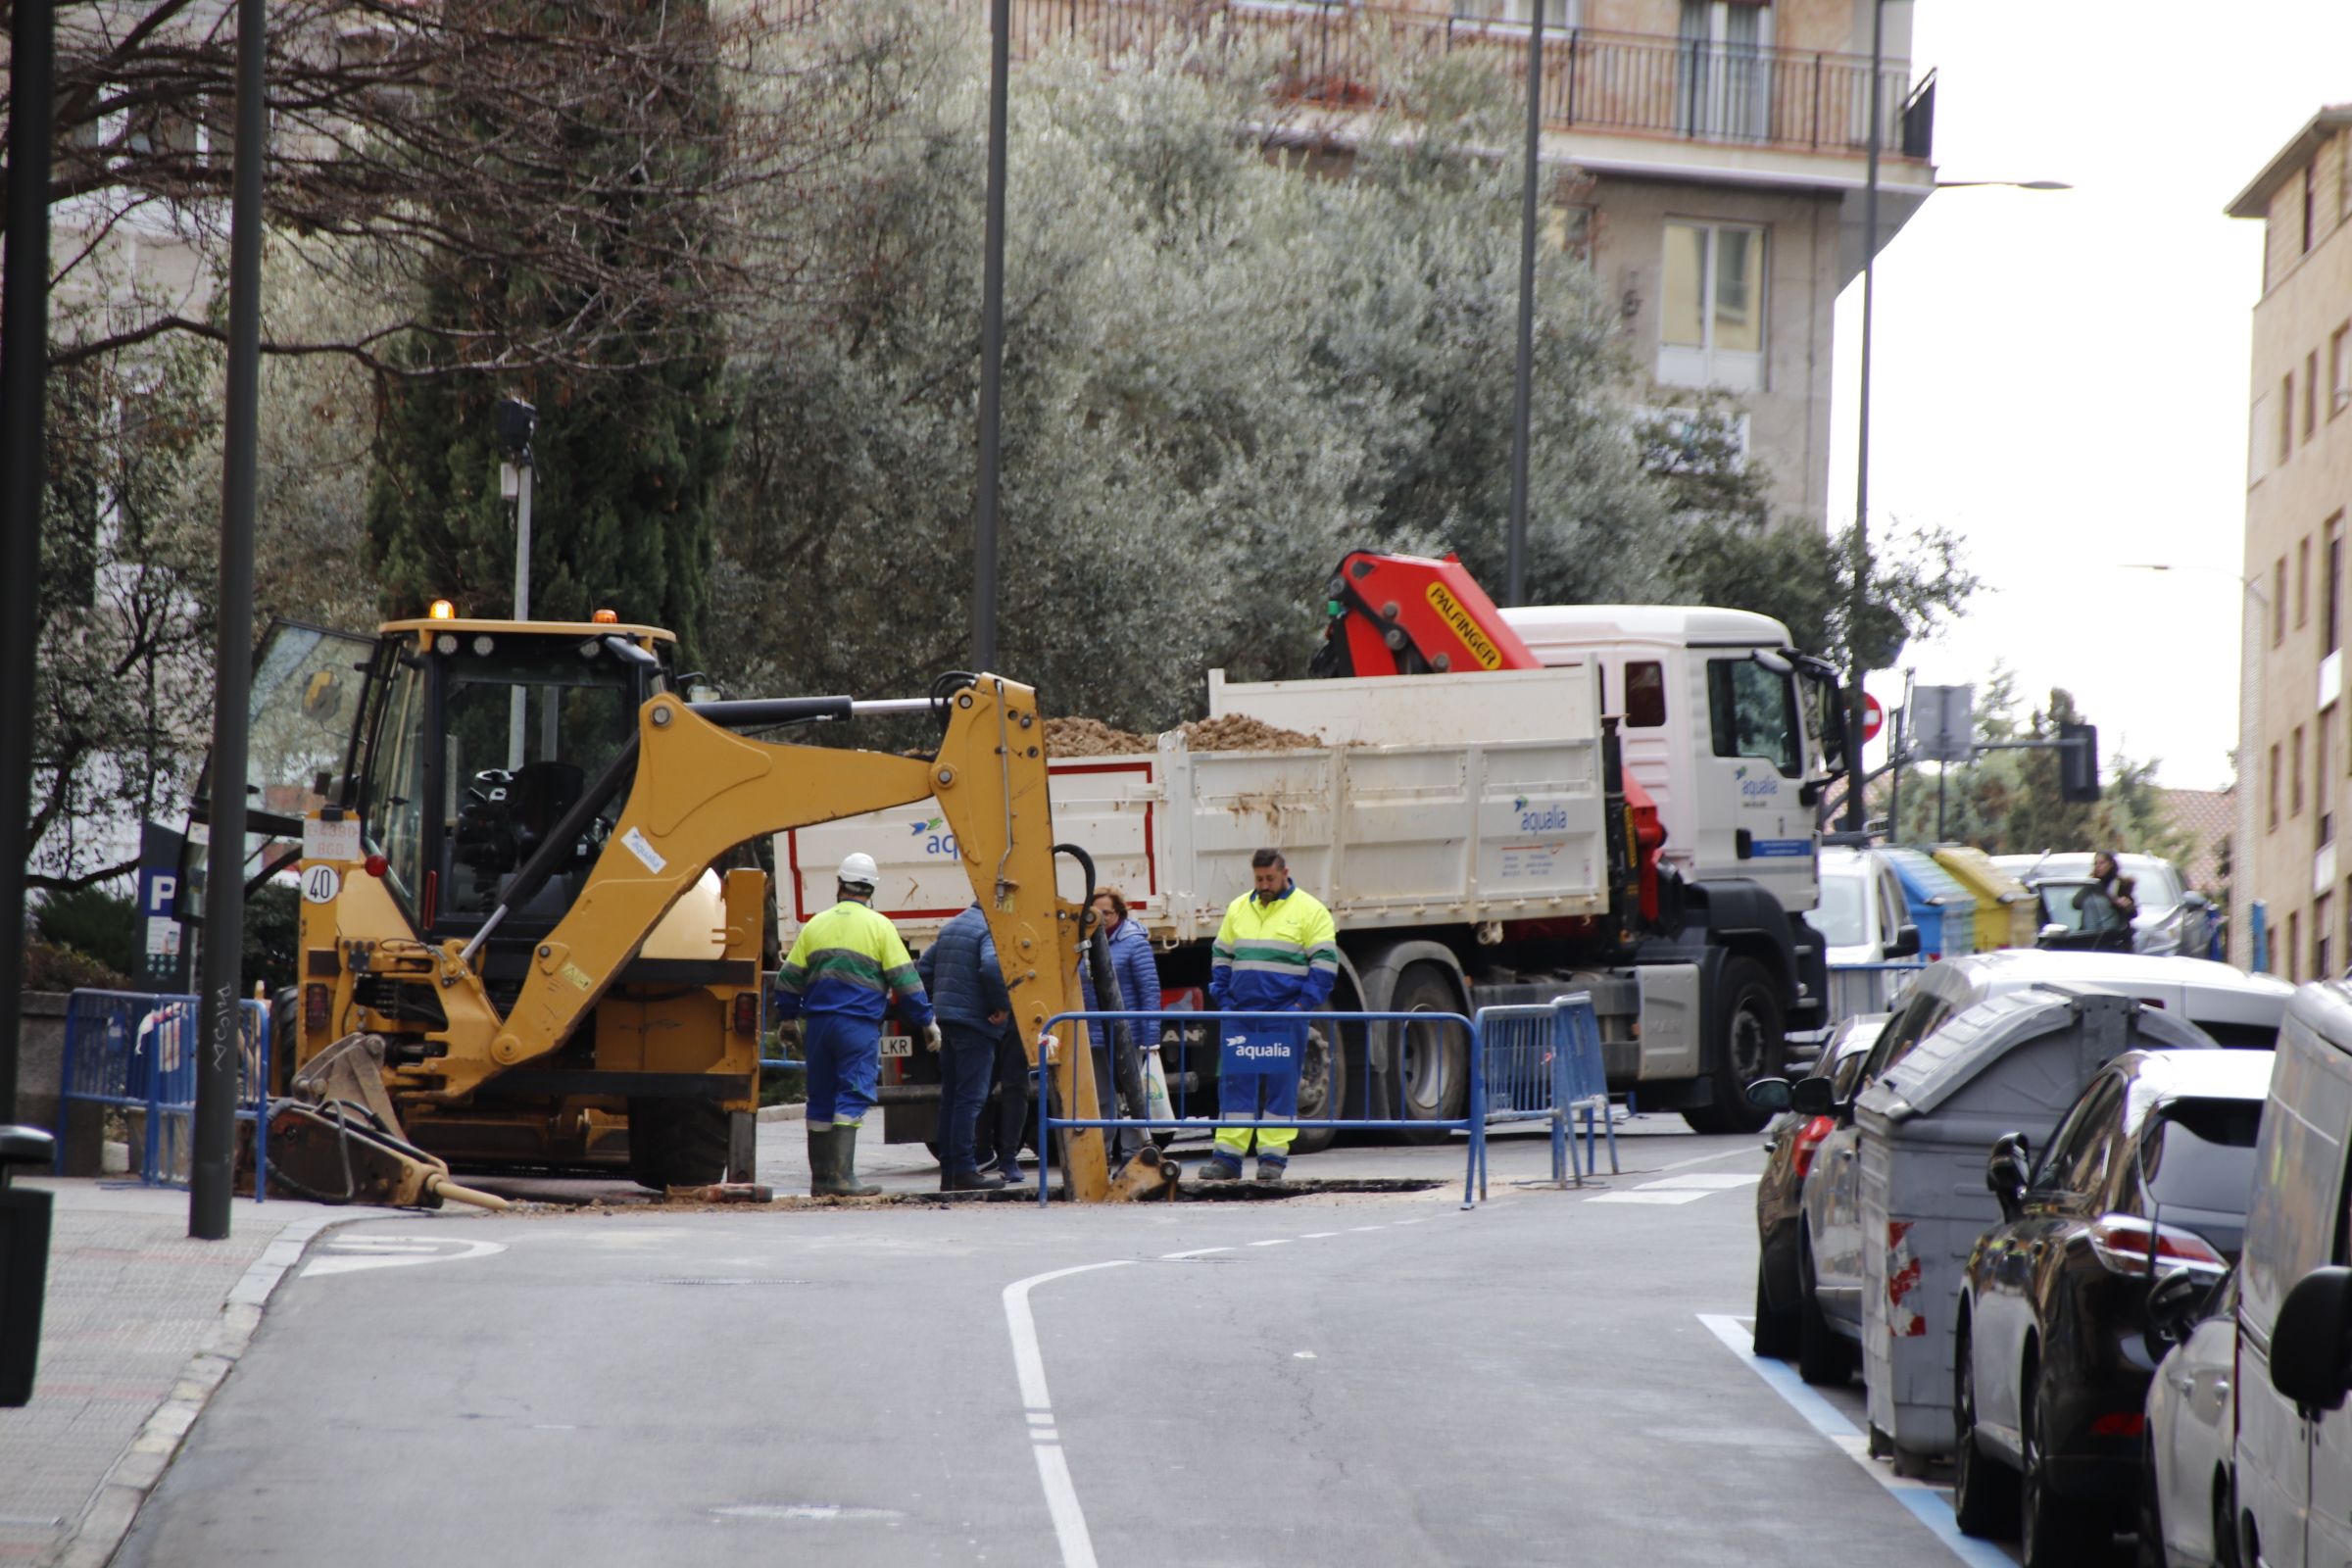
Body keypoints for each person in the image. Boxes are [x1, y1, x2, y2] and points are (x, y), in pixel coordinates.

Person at [773, 852, 939, 1197]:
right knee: (853, 1092)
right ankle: (843, 1178)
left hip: (819, 1026)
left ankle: (821, 1179)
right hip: (857, 1025)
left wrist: (788, 1017)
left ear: (840, 884)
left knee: (819, 1096)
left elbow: (787, 979)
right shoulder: (880, 926)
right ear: (871, 889)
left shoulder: (815, 924)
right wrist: (926, 1021)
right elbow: (905, 981)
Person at [1202, 849, 1338, 1183]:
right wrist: (1224, 998)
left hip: (1283, 1016)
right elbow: (1221, 954)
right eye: (1259, 879)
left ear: (1284, 873)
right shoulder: (1239, 907)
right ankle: (1228, 1159)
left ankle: (1272, 1161)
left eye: (1270, 879)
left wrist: (1301, 1007)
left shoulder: (1310, 910)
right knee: (1235, 1087)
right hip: (1241, 1015)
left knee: (1280, 1088)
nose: (1264, 885)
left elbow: (1324, 965)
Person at [917, 903, 1012, 1193]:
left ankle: (950, 1171)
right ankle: (964, 1170)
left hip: (948, 1020)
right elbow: (993, 967)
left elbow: (924, 968)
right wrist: (1001, 1005)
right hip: (975, 1024)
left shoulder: (952, 926)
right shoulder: (990, 928)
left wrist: (944, 998)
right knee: (970, 1099)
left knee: (952, 1098)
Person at [1078, 888, 1159, 1162]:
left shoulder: (1135, 943)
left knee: (1132, 1098)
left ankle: (1133, 1156)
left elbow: (1149, 990)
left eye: (1108, 913)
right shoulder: (1084, 945)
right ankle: (1100, 1158)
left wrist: (1150, 1034)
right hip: (1096, 1034)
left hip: (1129, 1035)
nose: (1102, 920)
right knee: (1102, 1099)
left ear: (1120, 913)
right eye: (1096, 914)